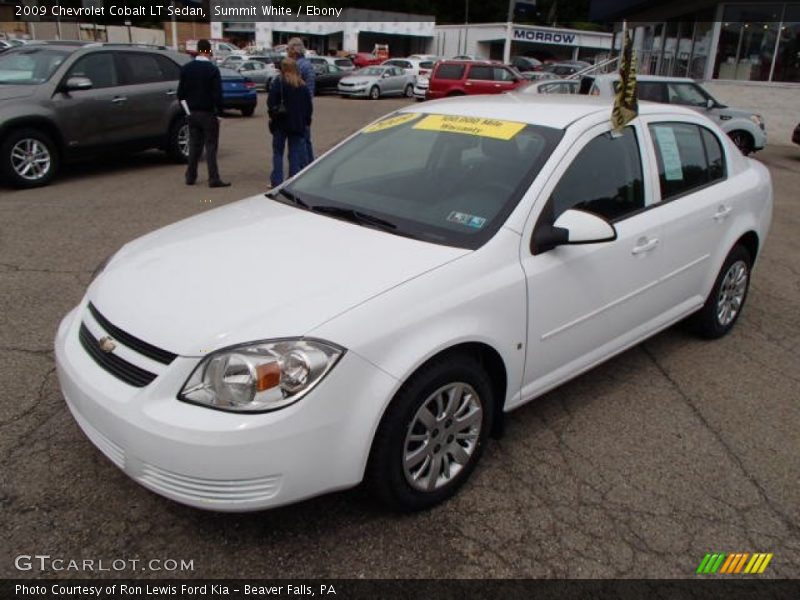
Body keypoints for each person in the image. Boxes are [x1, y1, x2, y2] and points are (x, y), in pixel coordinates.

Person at [177, 39, 230, 188]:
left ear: (198, 50)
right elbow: (217, 94)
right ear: (208, 51)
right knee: (211, 146)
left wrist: (187, 112)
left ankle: (190, 176)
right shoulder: (212, 70)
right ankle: (213, 178)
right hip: (208, 113)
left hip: (192, 112)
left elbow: (180, 94)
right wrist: (219, 113)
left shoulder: (186, 69)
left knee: (194, 145)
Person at [267, 58, 313, 187]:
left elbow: (270, 102)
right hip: (297, 124)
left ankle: (277, 181)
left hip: (280, 123)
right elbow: (308, 107)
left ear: (282, 69)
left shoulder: (278, 83)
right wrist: (306, 122)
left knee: (278, 153)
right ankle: (292, 180)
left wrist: (272, 115)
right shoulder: (302, 86)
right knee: (294, 153)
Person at [286, 37, 315, 167]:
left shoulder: (299, 66)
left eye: (288, 49)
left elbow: (294, 87)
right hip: (306, 107)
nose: (287, 51)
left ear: (294, 50)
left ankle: (303, 169)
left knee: (300, 141)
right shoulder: (307, 64)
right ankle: (310, 166)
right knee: (306, 139)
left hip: (300, 108)